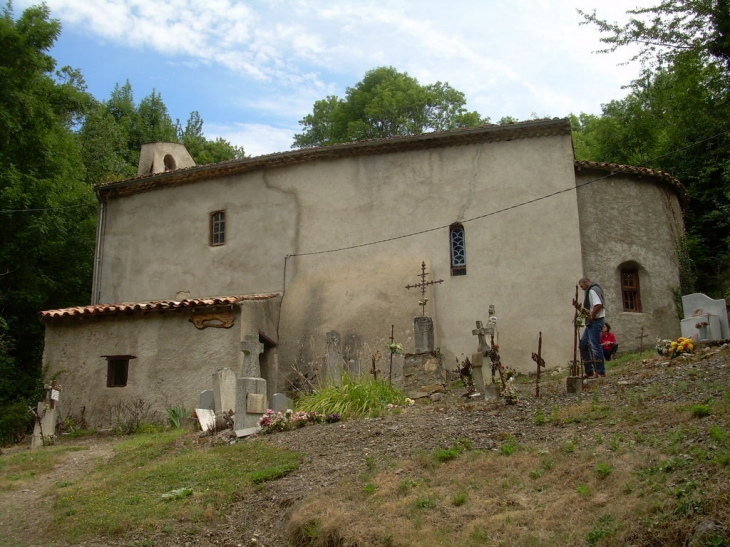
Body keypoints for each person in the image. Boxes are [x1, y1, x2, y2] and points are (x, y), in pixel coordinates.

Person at [578, 277, 606, 378]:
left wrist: (591, 317)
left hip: (596, 321)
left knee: (595, 346)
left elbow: (598, 305)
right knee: (583, 344)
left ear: (586, 282)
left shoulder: (593, 290)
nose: (582, 288)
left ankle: (601, 372)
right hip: (592, 322)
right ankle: (589, 371)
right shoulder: (592, 290)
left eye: (582, 286)